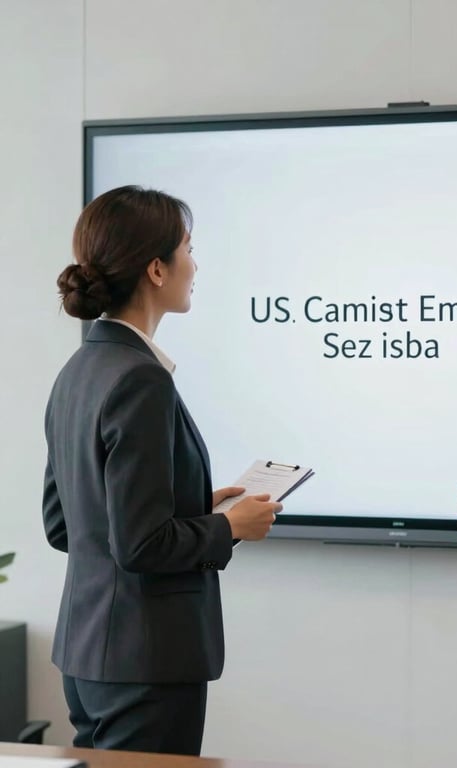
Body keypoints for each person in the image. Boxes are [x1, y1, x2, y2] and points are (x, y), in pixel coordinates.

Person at [42, 185, 282, 755]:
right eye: (188, 249)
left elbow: (64, 525)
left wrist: (197, 505)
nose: (194, 265)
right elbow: (141, 545)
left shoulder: (79, 370)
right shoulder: (140, 378)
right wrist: (229, 527)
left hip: (88, 658)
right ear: (156, 268)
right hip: (143, 664)